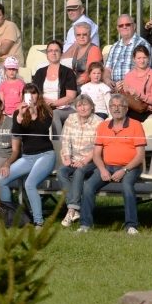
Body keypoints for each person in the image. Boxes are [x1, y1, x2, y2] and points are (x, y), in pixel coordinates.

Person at [79, 94, 147, 234]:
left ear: (126, 108)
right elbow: (96, 154)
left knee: (127, 186)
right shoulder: (103, 126)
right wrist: (102, 170)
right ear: (109, 108)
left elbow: (140, 156)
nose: (116, 109)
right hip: (107, 166)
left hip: (131, 167)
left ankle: (131, 225)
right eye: (112, 106)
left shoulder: (136, 125)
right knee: (88, 186)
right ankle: (85, 225)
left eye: (119, 106)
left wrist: (124, 170)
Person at [0, 83, 56, 227]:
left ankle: (38, 222)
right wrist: (21, 116)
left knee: (30, 183)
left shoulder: (46, 110)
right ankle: (10, 216)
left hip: (46, 154)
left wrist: (34, 111)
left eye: (34, 93)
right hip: (28, 157)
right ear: (23, 96)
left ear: (38, 95)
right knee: (1, 179)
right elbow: (16, 134)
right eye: (28, 94)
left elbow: (42, 131)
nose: (32, 97)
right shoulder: (19, 113)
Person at [56, 95, 101, 227]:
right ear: (76, 108)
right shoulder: (71, 118)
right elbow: (65, 140)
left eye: (85, 105)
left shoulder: (99, 122)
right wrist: (67, 157)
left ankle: (72, 208)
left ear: (92, 106)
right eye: (79, 105)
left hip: (91, 160)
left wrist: (85, 161)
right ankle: (73, 208)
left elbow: (98, 146)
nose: (82, 108)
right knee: (61, 172)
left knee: (79, 172)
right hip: (73, 158)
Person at [31, 39, 78, 133]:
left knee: (54, 114)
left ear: (61, 54)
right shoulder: (40, 72)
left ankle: (58, 144)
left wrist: (53, 103)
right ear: (47, 54)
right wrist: (43, 103)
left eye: (56, 50)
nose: (53, 53)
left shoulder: (68, 72)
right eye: (50, 51)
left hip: (63, 108)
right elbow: (33, 93)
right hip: (42, 105)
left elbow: (71, 97)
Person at [104, 14, 152, 85]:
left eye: (127, 24)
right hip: (113, 87)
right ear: (117, 28)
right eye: (121, 25)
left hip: (134, 86)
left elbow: (143, 70)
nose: (124, 27)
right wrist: (107, 80)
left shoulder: (143, 44)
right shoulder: (114, 46)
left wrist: (125, 83)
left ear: (134, 26)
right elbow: (107, 69)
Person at [121, 45, 152, 122]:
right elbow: (125, 97)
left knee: (129, 120)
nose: (142, 61)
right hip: (131, 109)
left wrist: (139, 95)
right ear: (134, 59)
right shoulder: (128, 75)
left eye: (144, 58)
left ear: (148, 59)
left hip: (147, 110)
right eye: (139, 58)